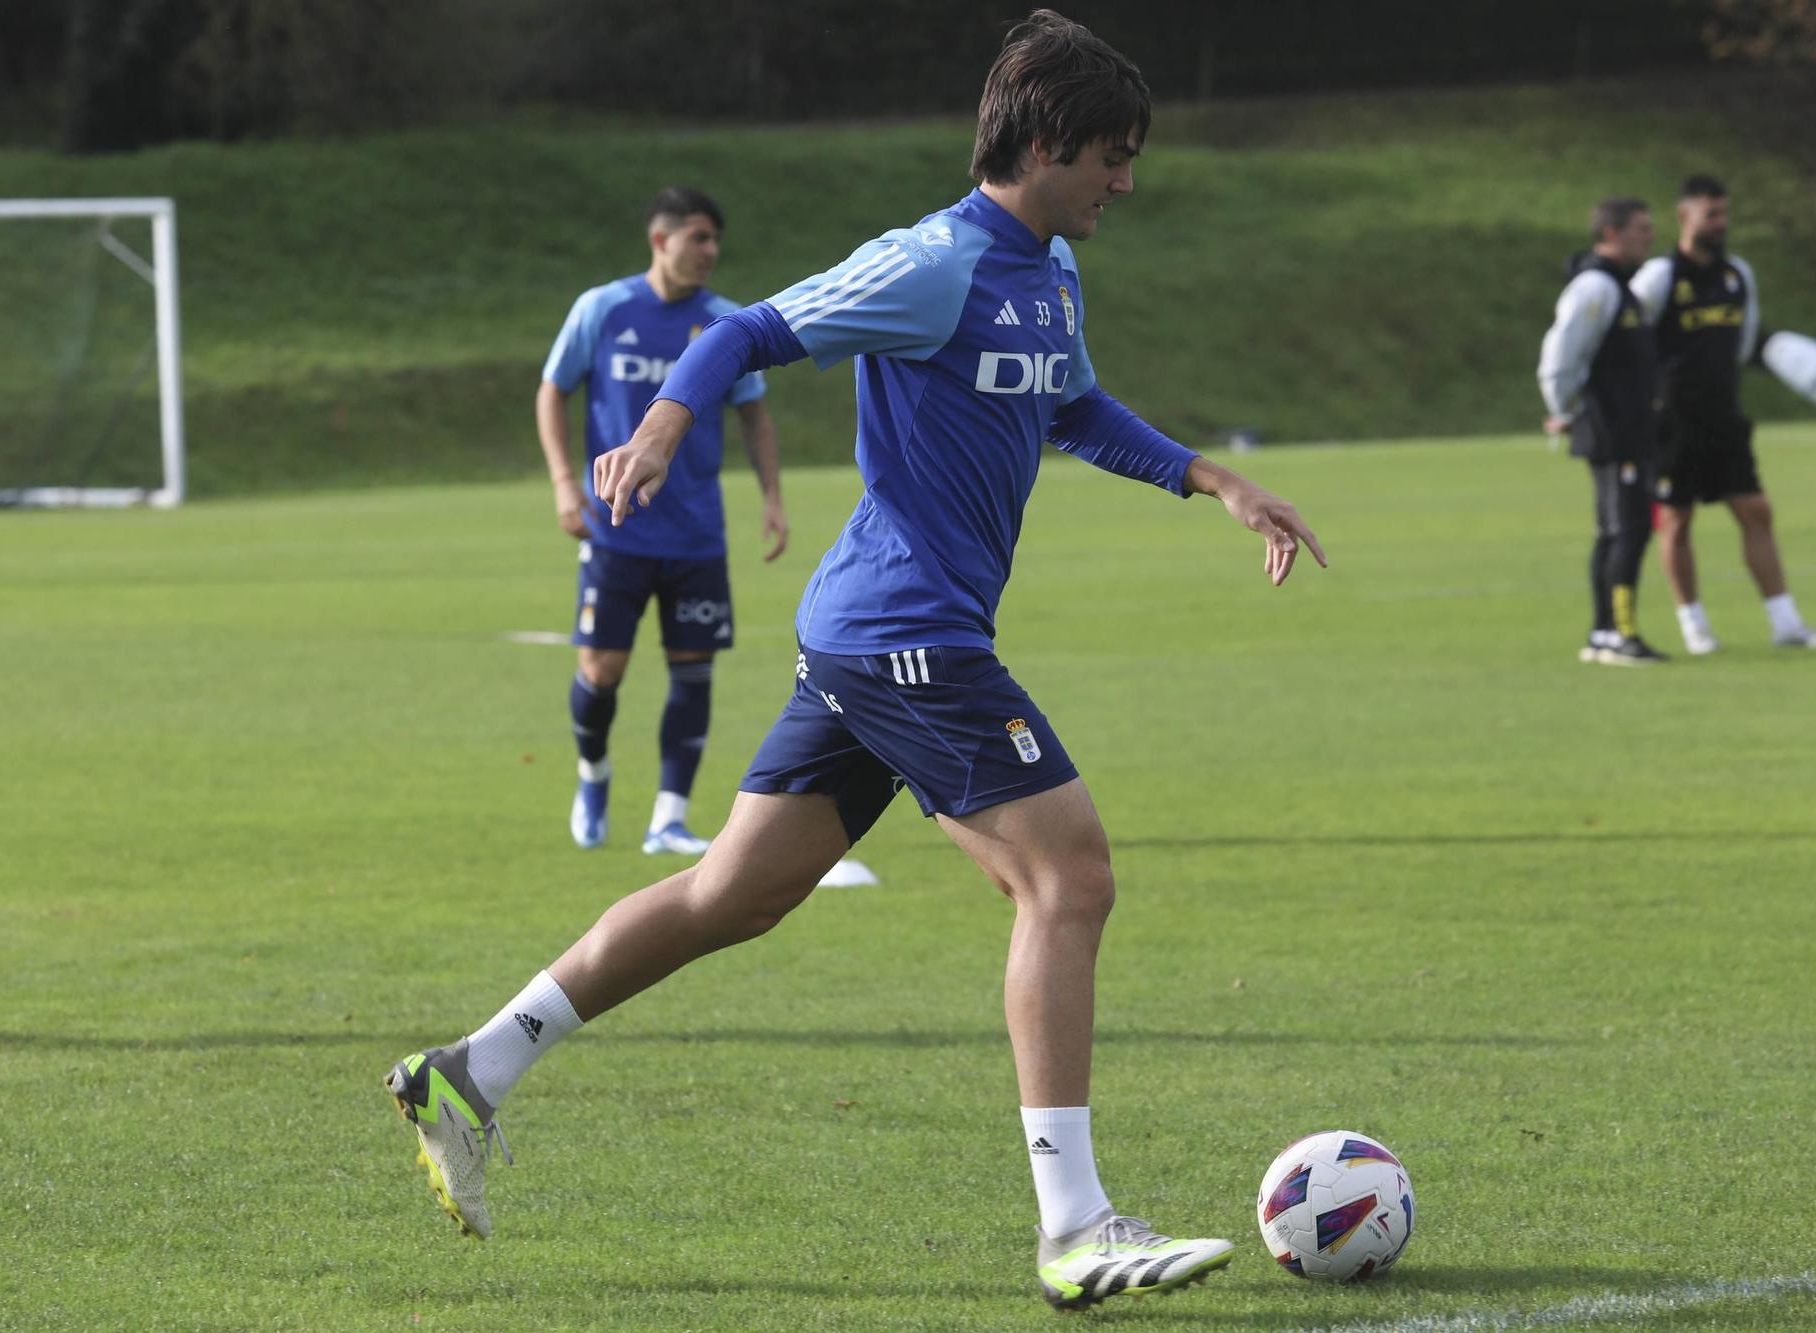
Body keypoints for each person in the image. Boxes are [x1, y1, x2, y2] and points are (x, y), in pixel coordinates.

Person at [385, 9, 1325, 1309]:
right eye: (1112, 153)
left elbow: (1073, 407)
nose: (1126, 178)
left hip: (881, 641)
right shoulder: (930, 260)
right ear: (1045, 142)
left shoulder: (1047, 273)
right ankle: (1077, 1226)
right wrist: (661, 427)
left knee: (732, 897)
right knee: (1072, 878)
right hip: (907, 639)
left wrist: (1213, 480)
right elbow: (744, 333)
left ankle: (468, 1071)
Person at [535, 186, 789, 854]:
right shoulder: (603, 308)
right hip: (614, 526)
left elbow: (753, 414)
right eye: (698, 238)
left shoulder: (728, 322)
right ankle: (593, 774)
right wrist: (565, 484)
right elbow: (552, 390)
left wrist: (772, 497)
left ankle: (668, 819)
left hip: (698, 533)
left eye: (715, 241)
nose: (710, 252)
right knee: (603, 669)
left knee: (694, 669)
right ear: (660, 240)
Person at [1630, 175, 1816, 654]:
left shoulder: (1737, 275)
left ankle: (1785, 622)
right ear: (1685, 217)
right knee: (1677, 520)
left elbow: (1744, 340)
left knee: (1755, 510)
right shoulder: (1661, 277)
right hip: (1673, 419)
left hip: (1723, 415)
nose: (1721, 224)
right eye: (1712, 215)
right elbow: (1631, 339)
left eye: (1725, 214)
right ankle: (1695, 626)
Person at [1538, 196, 1668, 665]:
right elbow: (1562, 354)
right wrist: (1564, 407)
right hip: (1615, 433)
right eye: (1641, 228)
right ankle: (1618, 636)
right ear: (1611, 234)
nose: (1650, 237)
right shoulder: (1595, 286)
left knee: (1617, 531)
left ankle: (1603, 634)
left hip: (1629, 431)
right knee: (1627, 531)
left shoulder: (1620, 285)